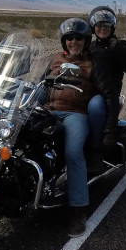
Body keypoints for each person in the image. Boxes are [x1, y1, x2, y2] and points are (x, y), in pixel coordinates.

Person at [42, 17, 104, 238]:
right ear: (63, 41)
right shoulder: (56, 58)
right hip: (48, 109)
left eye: (78, 38)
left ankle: (78, 211)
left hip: (75, 114)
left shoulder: (92, 62)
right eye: (69, 38)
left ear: (86, 40)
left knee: (73, 153)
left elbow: (105, 88)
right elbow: (39, 80)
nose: (73, 42)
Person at [87, 6, 126, 156]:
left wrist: (121, 52)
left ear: (113, 26)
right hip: (86, 92)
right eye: (99, 24)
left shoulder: (123, 46)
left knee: (96, 106)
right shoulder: (88, 47)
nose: (103, 28)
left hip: (107, 98)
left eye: (107, 24)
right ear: (93, 27)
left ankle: (95, 152)